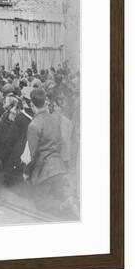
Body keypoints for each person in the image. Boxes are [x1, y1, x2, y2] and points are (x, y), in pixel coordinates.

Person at [22, 88, 78, 217]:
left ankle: (64, 205)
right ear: (45, 102)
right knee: (57, 191)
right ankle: (68, 200)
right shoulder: (55, 119)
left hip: (44, 170)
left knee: (41, 203)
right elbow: (63, 141)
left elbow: (33, 154)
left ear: (31, 104)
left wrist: (26, 172)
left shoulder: (33, 125)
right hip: (59, 166)